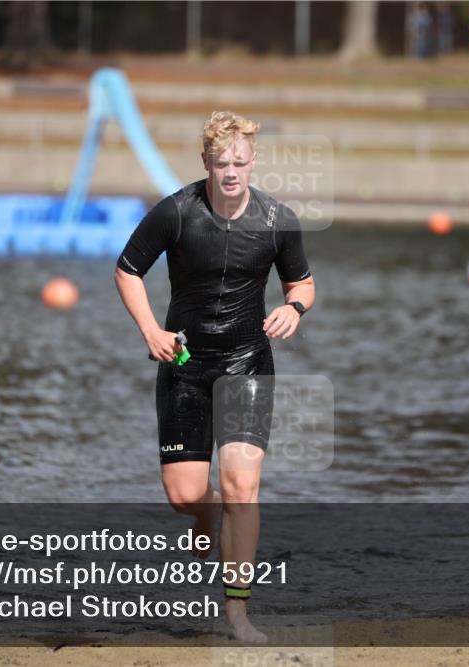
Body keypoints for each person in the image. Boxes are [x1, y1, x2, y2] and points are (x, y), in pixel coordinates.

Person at [113, 111, 315, 643]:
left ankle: (237, 614)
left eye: (240, 162)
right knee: (184, 494)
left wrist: (294, 308)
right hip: (184, 363)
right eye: (221, 162)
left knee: (242, 488)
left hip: (247, 363)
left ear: (253, 161)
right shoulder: (176, 212)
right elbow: (127, 271)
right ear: (205, 161)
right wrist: (151, 331)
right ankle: (204, 518)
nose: (231, 172)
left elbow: (303, 283)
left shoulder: (277, 220)